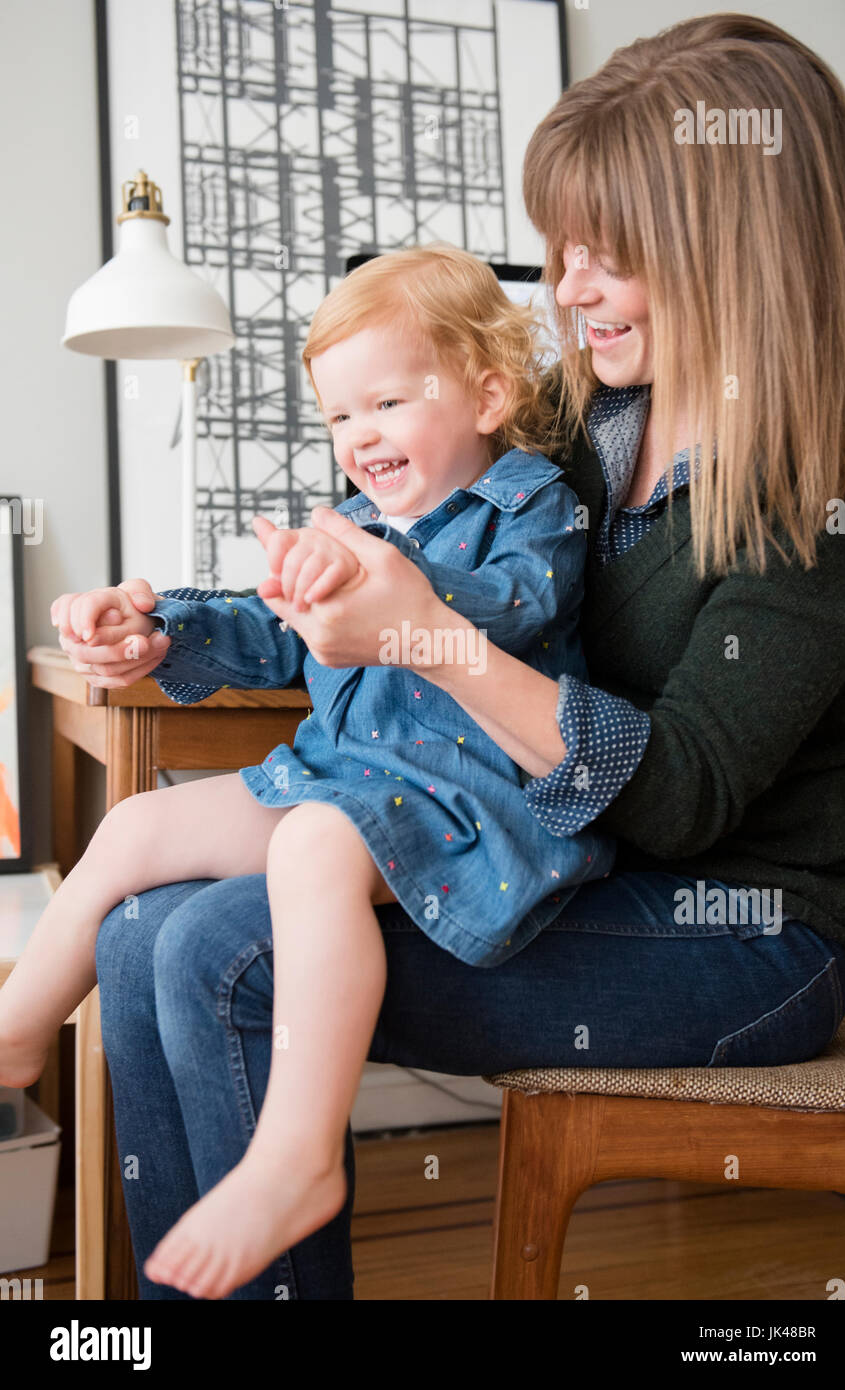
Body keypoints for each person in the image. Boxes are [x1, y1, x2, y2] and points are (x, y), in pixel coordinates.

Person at [33, 13, 845, 1299]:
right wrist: (174, 628)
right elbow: (406, 508)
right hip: (565, 855)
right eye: (562, 250)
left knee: (212, 951)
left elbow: (685, 801)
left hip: (751, 930)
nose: (569, 288)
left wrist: (418, 632)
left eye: (609, 255)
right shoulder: (585, 424)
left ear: (729, 248)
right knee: (143, 926)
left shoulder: (823, 494)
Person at [0, 244, 618, 1298]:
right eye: (339, 415)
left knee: (313, 845)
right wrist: (158, 628)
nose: (360, 433)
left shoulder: (534, 509)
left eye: (386, 399)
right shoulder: (362, 520)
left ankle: (296, 1154)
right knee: (139, 832)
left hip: (462, 803)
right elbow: (270, 629)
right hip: (337, 774)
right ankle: (17, 1039)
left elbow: (511, 606)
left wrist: (386, 582)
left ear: (486, 392)